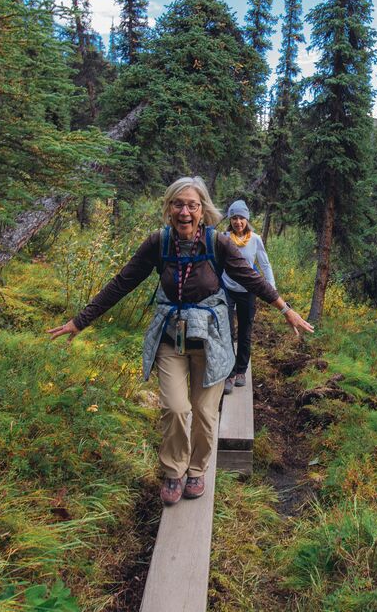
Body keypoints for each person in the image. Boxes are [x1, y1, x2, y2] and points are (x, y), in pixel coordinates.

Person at [47, 177, 313, 506]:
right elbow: (122, 282)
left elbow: (251, 277)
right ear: (168, 208)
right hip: (172, 337)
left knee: (203, 412)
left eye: (192, 205)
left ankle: (198, 469)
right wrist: (79, 322)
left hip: (212, 339)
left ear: (203, 211)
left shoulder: (218, 244)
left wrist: (285, 310)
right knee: (175, 408)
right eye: (178, 204)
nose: (184, 211)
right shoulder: (158, 243)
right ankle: (174, 471)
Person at [220, 200, 274, 395]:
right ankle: (229, 373)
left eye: (241, 218)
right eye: (234, 218)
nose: (238, 222)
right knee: (226, 331)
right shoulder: (223, 237)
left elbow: (265, 264)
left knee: (245, 331)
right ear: (230, 220)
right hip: (226, 288)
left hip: (248, 290)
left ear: (247, 219)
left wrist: (271, 288)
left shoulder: (255, 239)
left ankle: (241, 371)